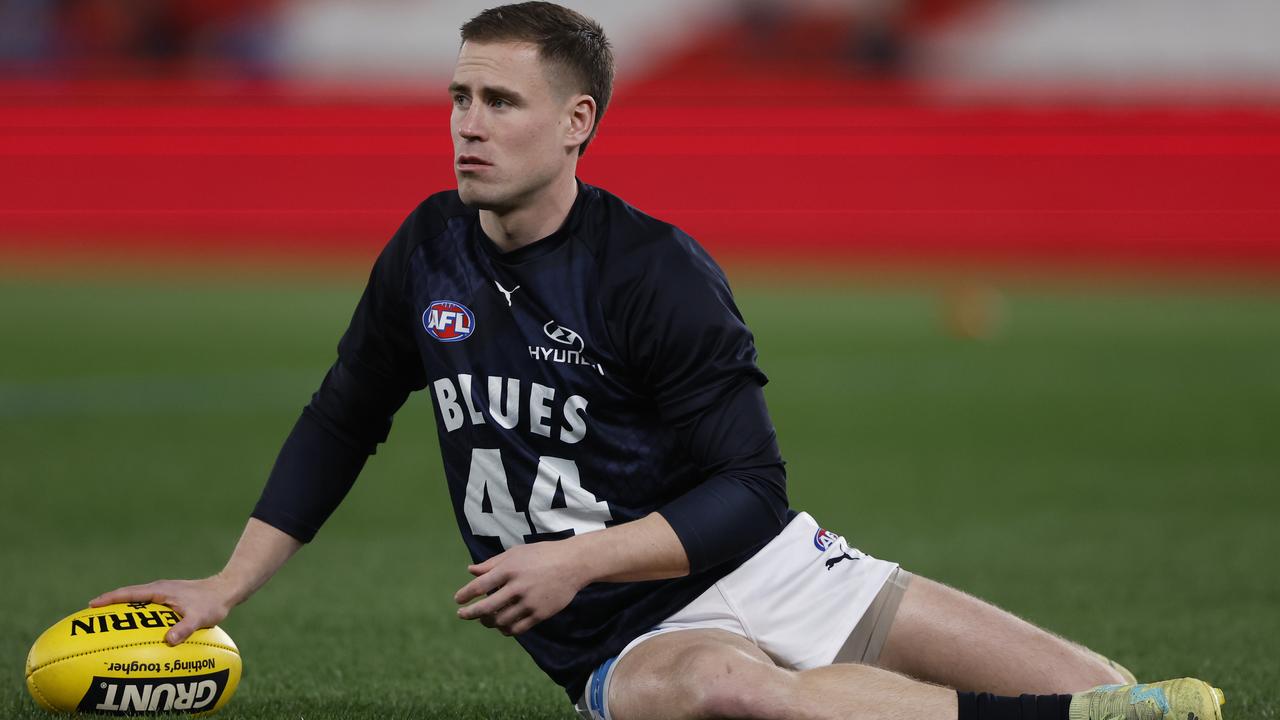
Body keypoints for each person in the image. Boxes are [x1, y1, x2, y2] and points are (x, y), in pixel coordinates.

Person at [90, 4, 1227, 720]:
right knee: (733, 690)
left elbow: (749, 491)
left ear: (576, 120)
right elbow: (342, 417)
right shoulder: (423, 249)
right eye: (457, 97)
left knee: (1112, 688)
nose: (466, 125)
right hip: (624, 633)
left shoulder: (654, 271)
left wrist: (574, 558)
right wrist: (226, 585)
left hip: (761, 563)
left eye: (498, 101)